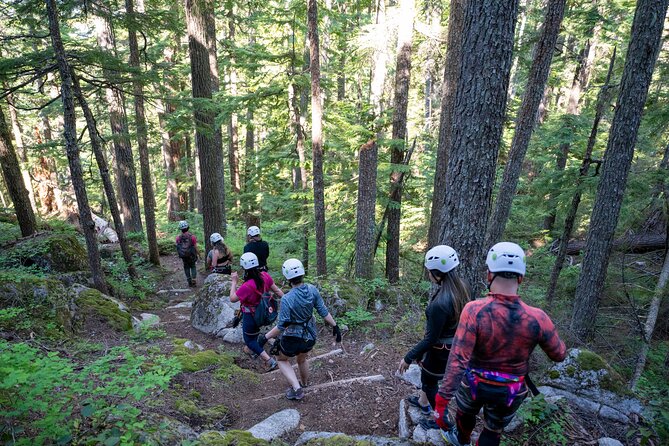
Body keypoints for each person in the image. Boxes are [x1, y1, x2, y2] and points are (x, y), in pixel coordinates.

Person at [434, 242, 567, 446]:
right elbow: (559, 354)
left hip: (473, 384)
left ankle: (462, 440)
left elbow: (458, 359)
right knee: (493, 430)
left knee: (465, 413)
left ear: (489, 275)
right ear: (521, 277)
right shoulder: (538, 318)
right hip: (510, 390)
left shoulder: (474, 310)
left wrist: (442, 400)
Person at [398, 245, 470, 417]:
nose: (428, 274)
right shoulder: (463, 287)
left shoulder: (440, 304)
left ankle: (441, 420)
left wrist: (408, 357)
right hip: (455, 346)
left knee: (430, 384)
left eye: (430, 271)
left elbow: (431, 339)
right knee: (429, 381)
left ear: (438, 274)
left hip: (439, 353)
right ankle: (423, 403)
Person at [258, 258, 342, 400]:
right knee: (302, 359)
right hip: (309, 337)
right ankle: (304, 383)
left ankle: (297, 389)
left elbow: (281, 326)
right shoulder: (312, 290)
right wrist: (335, 326)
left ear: (287, 277)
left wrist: (265, 337)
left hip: (292, 339)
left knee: (281, 359)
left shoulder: (287, 299)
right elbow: (323, 311)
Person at [229, 252, 284, 371]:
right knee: (254, 335)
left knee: (249, 341)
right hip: (264, 313)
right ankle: (255, 350)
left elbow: (232, 298)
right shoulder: (265, 276)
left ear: (244, 268)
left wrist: (234, 282)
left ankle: (270, 361)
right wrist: (288, 300)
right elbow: (277, 291)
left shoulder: (247, 286)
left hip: (251, 316)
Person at [175, 220, 199, 287]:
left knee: (186, 267)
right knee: (193, 266)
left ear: (180, 229)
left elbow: (177, 247)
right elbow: (195, 247)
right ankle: (194, 279)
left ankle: (189, 281)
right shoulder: (192, 237)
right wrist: (198, 254)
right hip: (191, 255)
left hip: (183, 255)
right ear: (188, 227)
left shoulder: (178, 238)